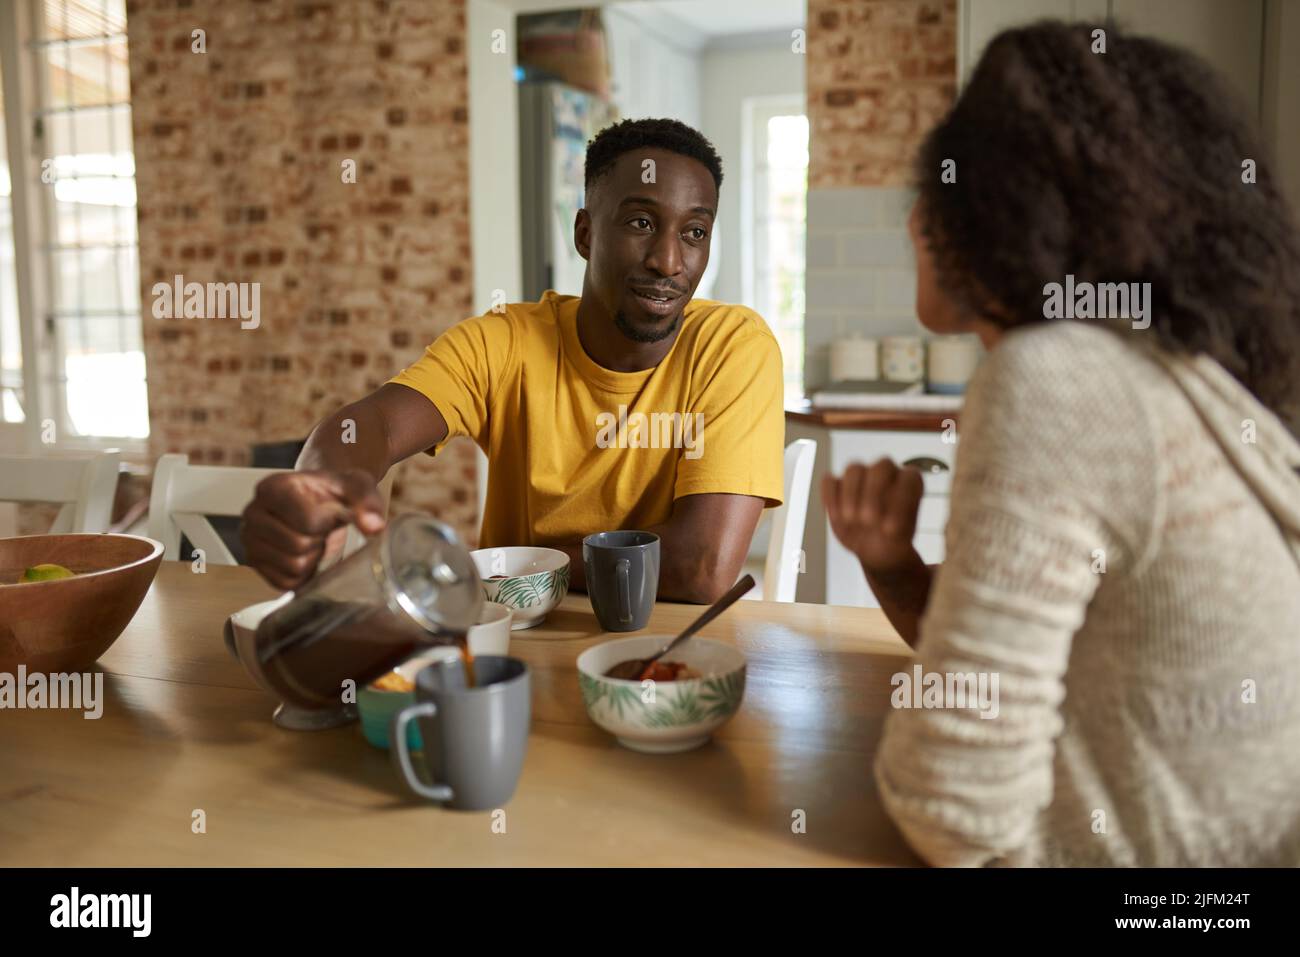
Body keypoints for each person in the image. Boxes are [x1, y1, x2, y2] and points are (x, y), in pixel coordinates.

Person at [824, 22, 1300, 865]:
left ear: (996, 212)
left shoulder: (1059, 380)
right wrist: (897, 570)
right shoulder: (1155, 368)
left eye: (941, 181)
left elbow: (952, 807)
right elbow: (1033, 677)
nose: (916, 213)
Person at [240, 118, 785, 603]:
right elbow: (373, 424)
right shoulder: (505, 342)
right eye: (641, 222)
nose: (669, 261)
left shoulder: (733, 346)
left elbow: (702, 569)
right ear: (585, 234)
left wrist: (514, 569)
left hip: (671, 651)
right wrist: (321, 483)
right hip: (517, 642)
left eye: (694, 233)